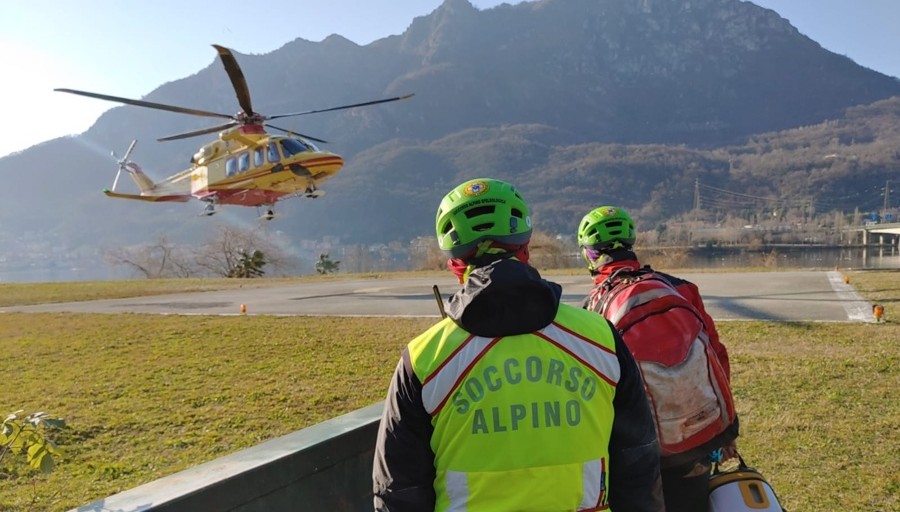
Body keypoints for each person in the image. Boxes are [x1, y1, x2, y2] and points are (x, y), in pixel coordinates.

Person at [372, 178, 664, 512]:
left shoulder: (425, 358)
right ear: (525, 250)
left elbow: (398, 490)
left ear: (455, 265)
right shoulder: (599, 338)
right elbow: (638, 464)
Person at [576, 205, 740, 512]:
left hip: (639, 448)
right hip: (698, 437)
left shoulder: (591, 311)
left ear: (590, 255)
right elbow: (716, 356)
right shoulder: (680, 289)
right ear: (630, 242)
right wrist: (725, 430)